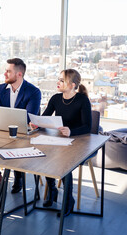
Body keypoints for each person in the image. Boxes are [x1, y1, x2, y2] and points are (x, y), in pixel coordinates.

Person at [30, 69, 91, 217]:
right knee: (45, 154)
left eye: (62, 80)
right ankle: (52, 190)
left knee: (64, 162)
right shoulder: (56, 98)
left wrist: (71, 131)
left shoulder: (82, 100)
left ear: (72, 85)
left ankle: (68, 200)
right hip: (58, 139)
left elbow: (87, 126)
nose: (58, 82)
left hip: (78, 140)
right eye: (59, 79)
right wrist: (37, 123)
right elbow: (45, 117)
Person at [0, 58, 41, 195]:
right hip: (1, 130)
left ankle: (18, 177)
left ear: (19, 74)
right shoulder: (1, 89)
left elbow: (28, 117)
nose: (4, 74)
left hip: (23, 135)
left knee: (16, 146)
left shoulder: (33, 92)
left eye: (8, 71)